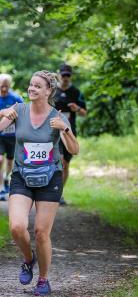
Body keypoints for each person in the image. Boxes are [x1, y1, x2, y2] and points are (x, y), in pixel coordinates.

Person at [0, 70, 79, 296]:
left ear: (49, 91)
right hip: (21, 176)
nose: (32, 89)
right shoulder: (18, 110)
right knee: (17, 227)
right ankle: (29, 258)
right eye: (30, 85)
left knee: (41, 232)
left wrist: (64, 128)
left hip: (50, 178)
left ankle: (44, 279)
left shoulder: (57, 116)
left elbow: (74, 150)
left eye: (38, 86)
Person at [54, 64, 87, 205]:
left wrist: (77, 108)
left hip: (69, 131)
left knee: (66, 164)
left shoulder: (76, 92)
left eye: (68, 75)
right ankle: (52, 192)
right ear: (59, 75)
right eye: (63, 75)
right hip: (54, 132)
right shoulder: (52, 91)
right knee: (60, 161)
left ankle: (59, 193)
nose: (66, 78)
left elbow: (85, 113)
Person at [0, 74, 23, 201]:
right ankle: (1, 188)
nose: (4, 89)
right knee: (0, 160)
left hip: (12, 136)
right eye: (2, 86)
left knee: (9, 161)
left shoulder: (16, 98)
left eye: (6, 86)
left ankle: (7, 177)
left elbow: (23, 114)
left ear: (10, 86)